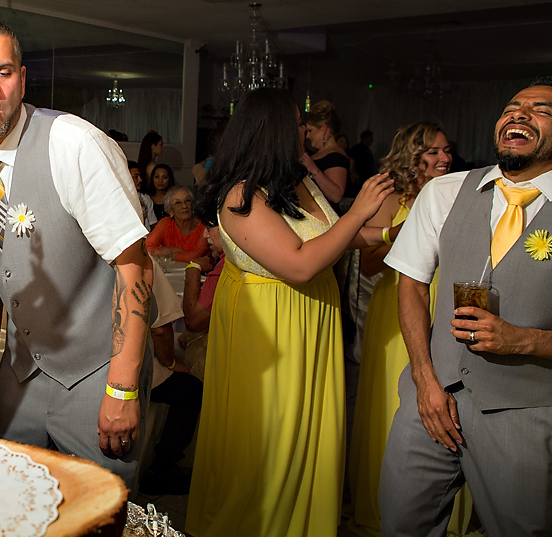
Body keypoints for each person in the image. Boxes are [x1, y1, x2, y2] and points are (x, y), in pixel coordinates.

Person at [0, 20, 153, 488]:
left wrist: (122, 386)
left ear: (22, 76)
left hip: (97, 369)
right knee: (11, 502)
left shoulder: (73, 142)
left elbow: (134, 265)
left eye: (4, 72)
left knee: (99, 513)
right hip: (20, 371)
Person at [186, 88, 396, 536]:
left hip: (312, 319)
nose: (306, 130)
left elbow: (332, 238)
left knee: (310, 437)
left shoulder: (297, 181)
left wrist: (398, 230)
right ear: (275, 130)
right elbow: (300, 263)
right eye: (298, 123)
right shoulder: (241, 196)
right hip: (273, 327)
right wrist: (358, 211)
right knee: (272, 442)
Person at [379, 80, 552, 536]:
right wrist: (423, 379)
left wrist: (527, 340)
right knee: (400, 522)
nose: (518, 114)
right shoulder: (446, 192)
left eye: (541, 110)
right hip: (431, 396)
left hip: (526, 410)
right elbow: (412, 285)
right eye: (511, 107)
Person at [346, 122, 474, 535]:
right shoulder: (390, 196)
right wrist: (404, 237)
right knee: (397, 401)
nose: (444, 158)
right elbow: (367, 264)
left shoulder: (458, 191)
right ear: (411, 155)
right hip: (398, 302)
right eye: (433, 152)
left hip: (445, 297)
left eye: (446, 150)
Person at [140, 256, 203, 495]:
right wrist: (171, 362)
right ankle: (162, 468)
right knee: (192, 391)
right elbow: (161, 330)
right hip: (124, 369)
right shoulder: (141, 260)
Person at [181, 225, 224, 381]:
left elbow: (194, 321)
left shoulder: (228, 265)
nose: (205, 234)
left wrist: (193, 268)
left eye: (211, 226)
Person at [301, 100, 349, 213]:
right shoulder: (317, 155)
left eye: (310, 130)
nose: (307, 136)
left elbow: (336, 196)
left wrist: (313, 169)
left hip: (328, 217)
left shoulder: (336, 157)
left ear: (323, 129)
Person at [145, 186, 209, 263]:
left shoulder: (204, 226)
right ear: (170, 211)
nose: (185, 206)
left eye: (187, 200)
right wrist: (173, 250)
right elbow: (146, 249)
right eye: (178, 203)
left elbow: (194, 256)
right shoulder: (165, 223)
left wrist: (169, 254)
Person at [128, 160, 157, 230]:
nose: (140, 180)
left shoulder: (145, 198)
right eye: (136, 176)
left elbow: (153, 223)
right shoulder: (118, 198)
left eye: (139, 176)